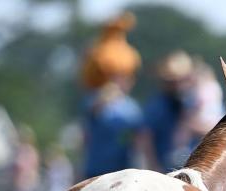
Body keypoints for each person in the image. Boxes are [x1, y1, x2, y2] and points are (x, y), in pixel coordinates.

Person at [78, 12, 147, 178]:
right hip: (95, 170)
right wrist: (105, 97)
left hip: (122, 171)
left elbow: (140, 133)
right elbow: (91, 114)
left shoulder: (132, 106)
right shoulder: (94, 98)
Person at [143, 50, 196, 172]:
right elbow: (145, 138)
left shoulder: (193, 101)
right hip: (165, 170)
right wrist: (153, 167)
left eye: (179, 80)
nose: (176, 85)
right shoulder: (156, 105)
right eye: (171, 81)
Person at [7, 124, 41, 191]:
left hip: (25, 188)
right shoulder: (22, 151)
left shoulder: (28, 152)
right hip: (21, 188)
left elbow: (25, 170)